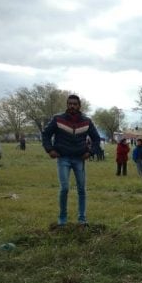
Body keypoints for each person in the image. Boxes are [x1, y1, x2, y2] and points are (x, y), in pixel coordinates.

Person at [41, 94, 102, 226]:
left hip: (79, 159)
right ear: (67, 105)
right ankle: (62, 219)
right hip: (63, 158)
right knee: (64, 188)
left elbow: (97, 139)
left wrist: (90, 152)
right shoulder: (58, 119)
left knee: (81, 189)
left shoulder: (86, 121)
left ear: (79, 106)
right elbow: (45, 134)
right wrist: (49, 149)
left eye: (75, 104)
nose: (72, 106)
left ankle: (82, 219)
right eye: (69, 104)